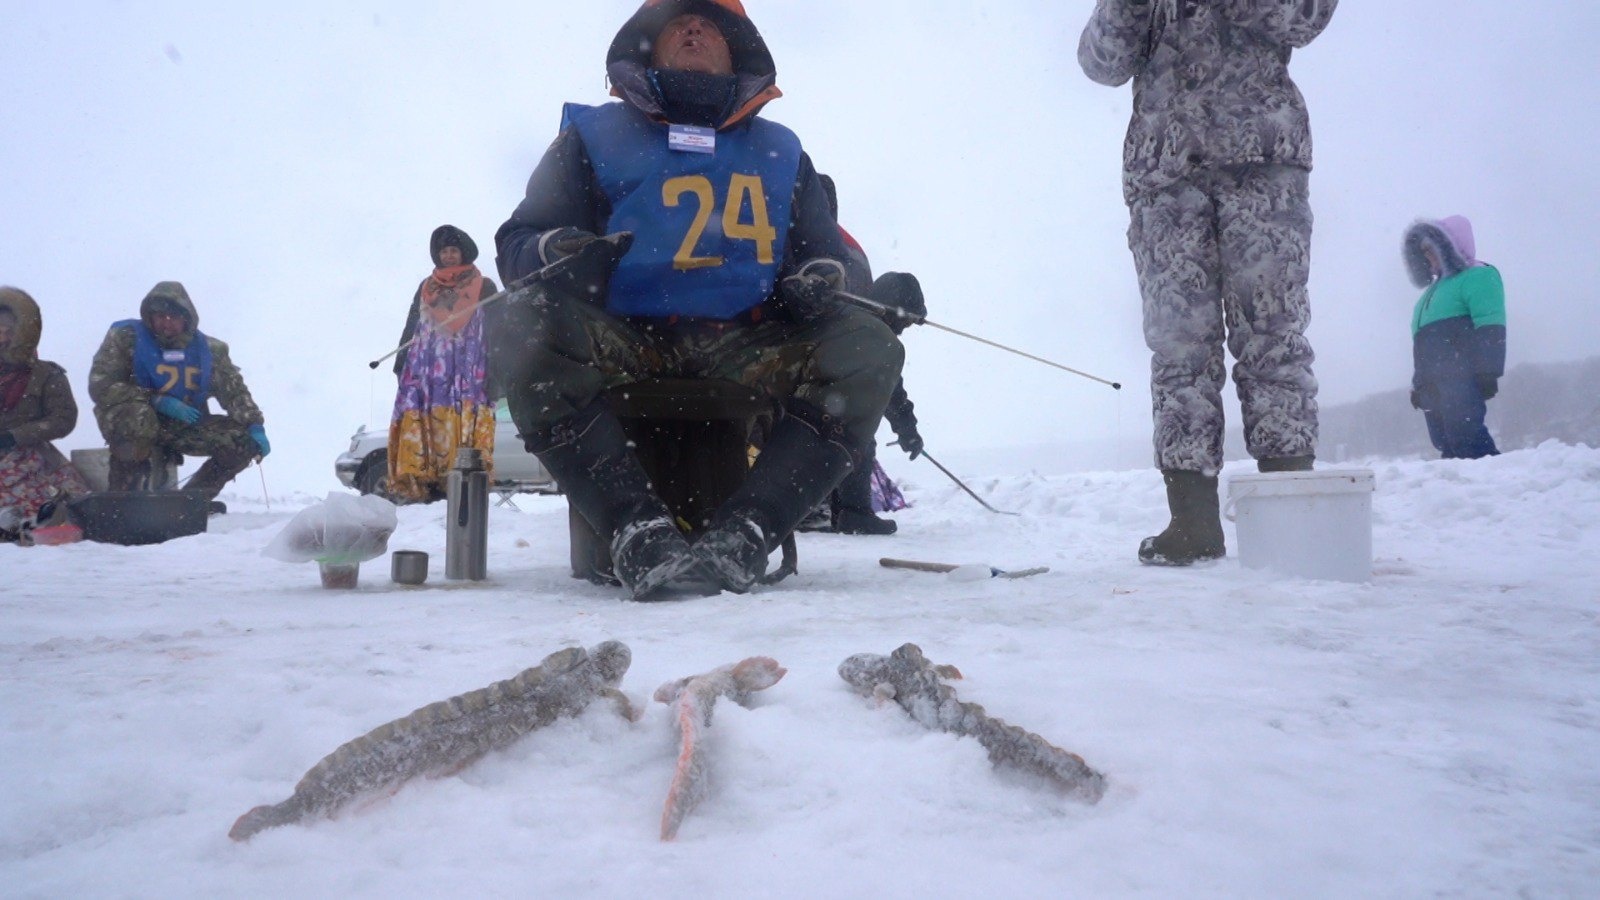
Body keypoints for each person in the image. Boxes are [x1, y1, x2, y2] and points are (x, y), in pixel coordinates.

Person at [494, 0, 904, 599]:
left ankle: (747, 533)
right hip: (624, 336)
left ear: (735, 49)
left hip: (745, 337)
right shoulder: (590, 137)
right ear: (647, 50)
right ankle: (635, 532)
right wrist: (557, 249)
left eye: (709, 24)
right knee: (519, 325)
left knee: (870, 348)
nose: (692, 28)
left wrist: (819, 278)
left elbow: (834, 256)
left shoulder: (784, 152)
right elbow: (517, 243)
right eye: (676, 24)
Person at [1078, 0, 1336, 566]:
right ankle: (1192, 521)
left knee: (1272, 333)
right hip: (1164, 176)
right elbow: (1100, 62)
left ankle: (1289, 514)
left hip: (1263, 164)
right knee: (1178, 349)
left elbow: (1307, 16)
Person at [812, 174, 925, 535]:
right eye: (905, 323)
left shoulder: (840, 257)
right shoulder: (843, 256)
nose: (904, 331)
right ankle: (852, 512)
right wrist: (906, 427)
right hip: (812, 372)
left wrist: (906, 427)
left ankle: (836, 507)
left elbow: (888, 384)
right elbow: (886, 383)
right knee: (854, 423)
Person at [89, 281, 270, 500]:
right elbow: (101, 386)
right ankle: (122, 502)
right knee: (139, 418)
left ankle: (191, 502)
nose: (166, 322)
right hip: (130, 419)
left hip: (183, 423)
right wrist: (154, 400)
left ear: (186, 317)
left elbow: (234, 391)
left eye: (173, 316)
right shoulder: (126, 338)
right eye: (160, 316)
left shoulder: (209, 351)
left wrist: (254, 425)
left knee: (241, 441)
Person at [388, 225, 502, 502]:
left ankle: (464, 480)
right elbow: (413, 324)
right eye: (444, 251)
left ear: (463, 253)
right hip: (429, 373)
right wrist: (402, 361)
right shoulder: (427, 287)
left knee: (465, 423)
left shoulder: (484, 286)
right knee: (431, 421)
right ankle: (429, 484)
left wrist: (498, 366)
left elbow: (499, 327)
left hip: (469, 370)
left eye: (454, 250)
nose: (449, 256)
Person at [1404, 215, 1505, 459]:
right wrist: (1419, 384)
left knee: (1466, 434)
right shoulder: (1430, 294)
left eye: (1432, 249)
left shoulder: (1478, 275)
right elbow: (1422, 346)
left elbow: (1490, 323)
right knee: (1444, 440)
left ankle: (1491, 481)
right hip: (1432, 381)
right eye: (1424, 252)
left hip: (1461, 374)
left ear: (1450, 246)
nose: (1428, 256)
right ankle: (1458, 493)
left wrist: (1488, 370)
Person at [0, 287, 90, 526]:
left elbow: (63, 419)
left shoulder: (46, 374)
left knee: (68, 503)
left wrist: (15, 436)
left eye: (7, 329)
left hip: (32, 456)